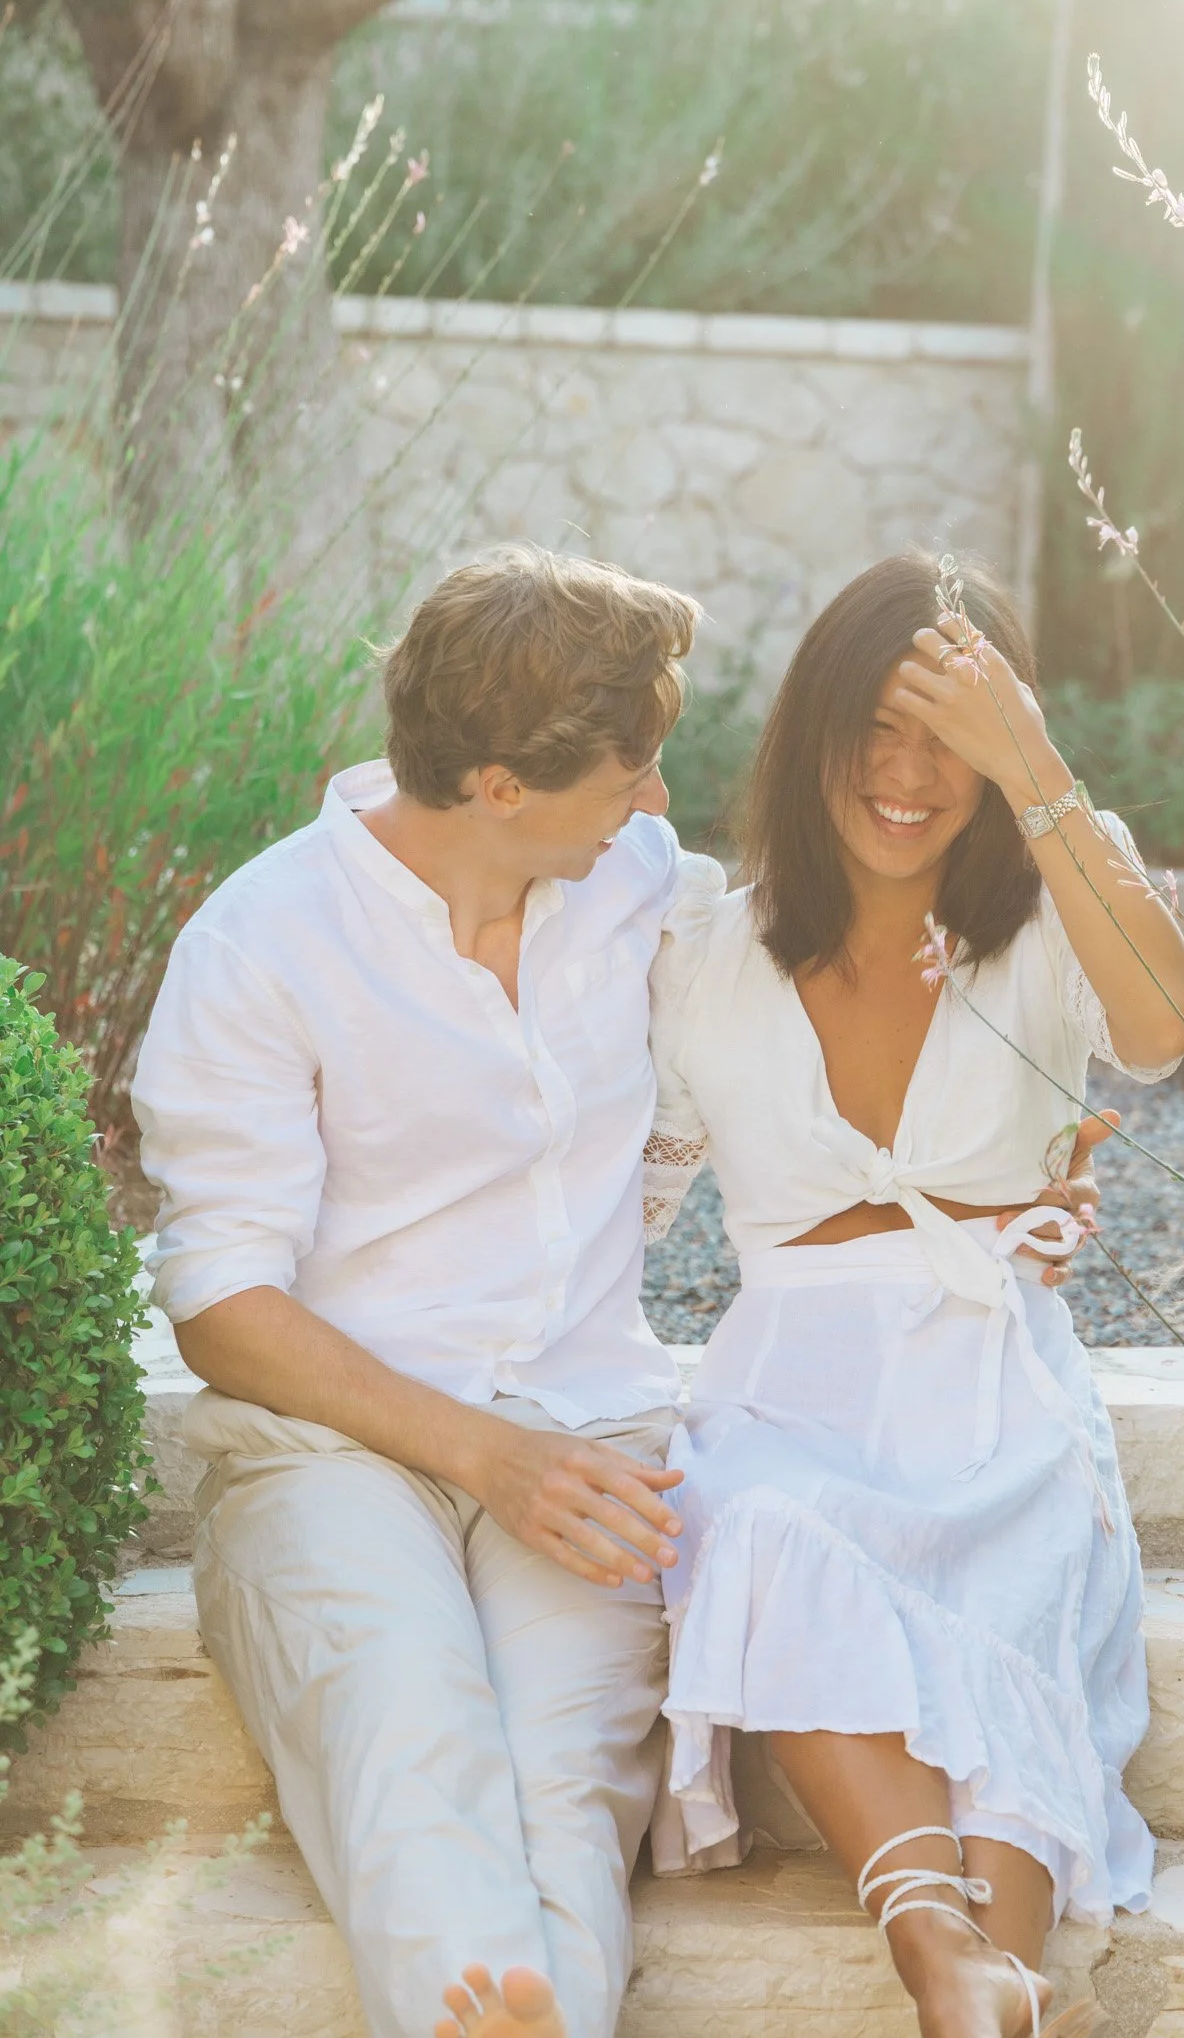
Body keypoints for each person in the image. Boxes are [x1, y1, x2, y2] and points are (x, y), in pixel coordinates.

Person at [133, 548, 707, 2038]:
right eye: (632, 771)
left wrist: (1012, 1186)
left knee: (561, 1775)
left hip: (586, 1427)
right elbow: (219, 1306)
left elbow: (817, 1003)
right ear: (501, 786)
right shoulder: (263, 945)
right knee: (406, 1727)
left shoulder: (638, 885)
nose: (655, 801)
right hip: (327, 1451)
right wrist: (482, 1456)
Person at [644, 552, 1184, 2038]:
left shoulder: (1046, 918)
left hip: (992, 1365)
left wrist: (1035, 768)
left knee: (1014, 1579)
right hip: (789, 1381)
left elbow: (1157, 1027)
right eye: (874, 733)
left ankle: (986, 1977)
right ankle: (947, 1960)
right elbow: (607, 1208)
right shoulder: (705, 951)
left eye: (946, 739)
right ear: (806, 739)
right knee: (757, 1526)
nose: (907, 778)